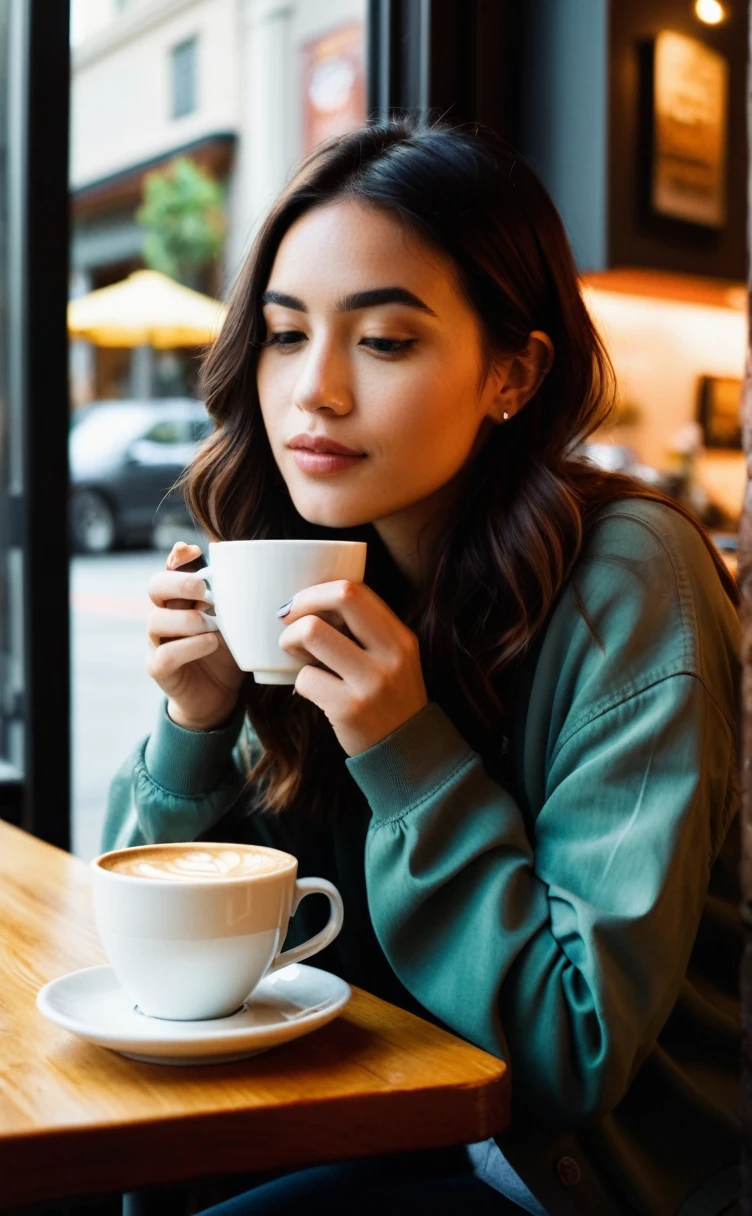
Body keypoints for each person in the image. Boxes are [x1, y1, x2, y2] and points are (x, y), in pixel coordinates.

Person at [104, 117, 741, 1216]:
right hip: (346, 1101)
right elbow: (155, 977)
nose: (315, 391)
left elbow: (572, 1051)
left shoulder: (630, 573)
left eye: (385, 341)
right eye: (284, 333)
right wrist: (193, 728)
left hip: (559, 1172)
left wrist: (405, 749)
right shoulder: (309, 554)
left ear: (512, 371)